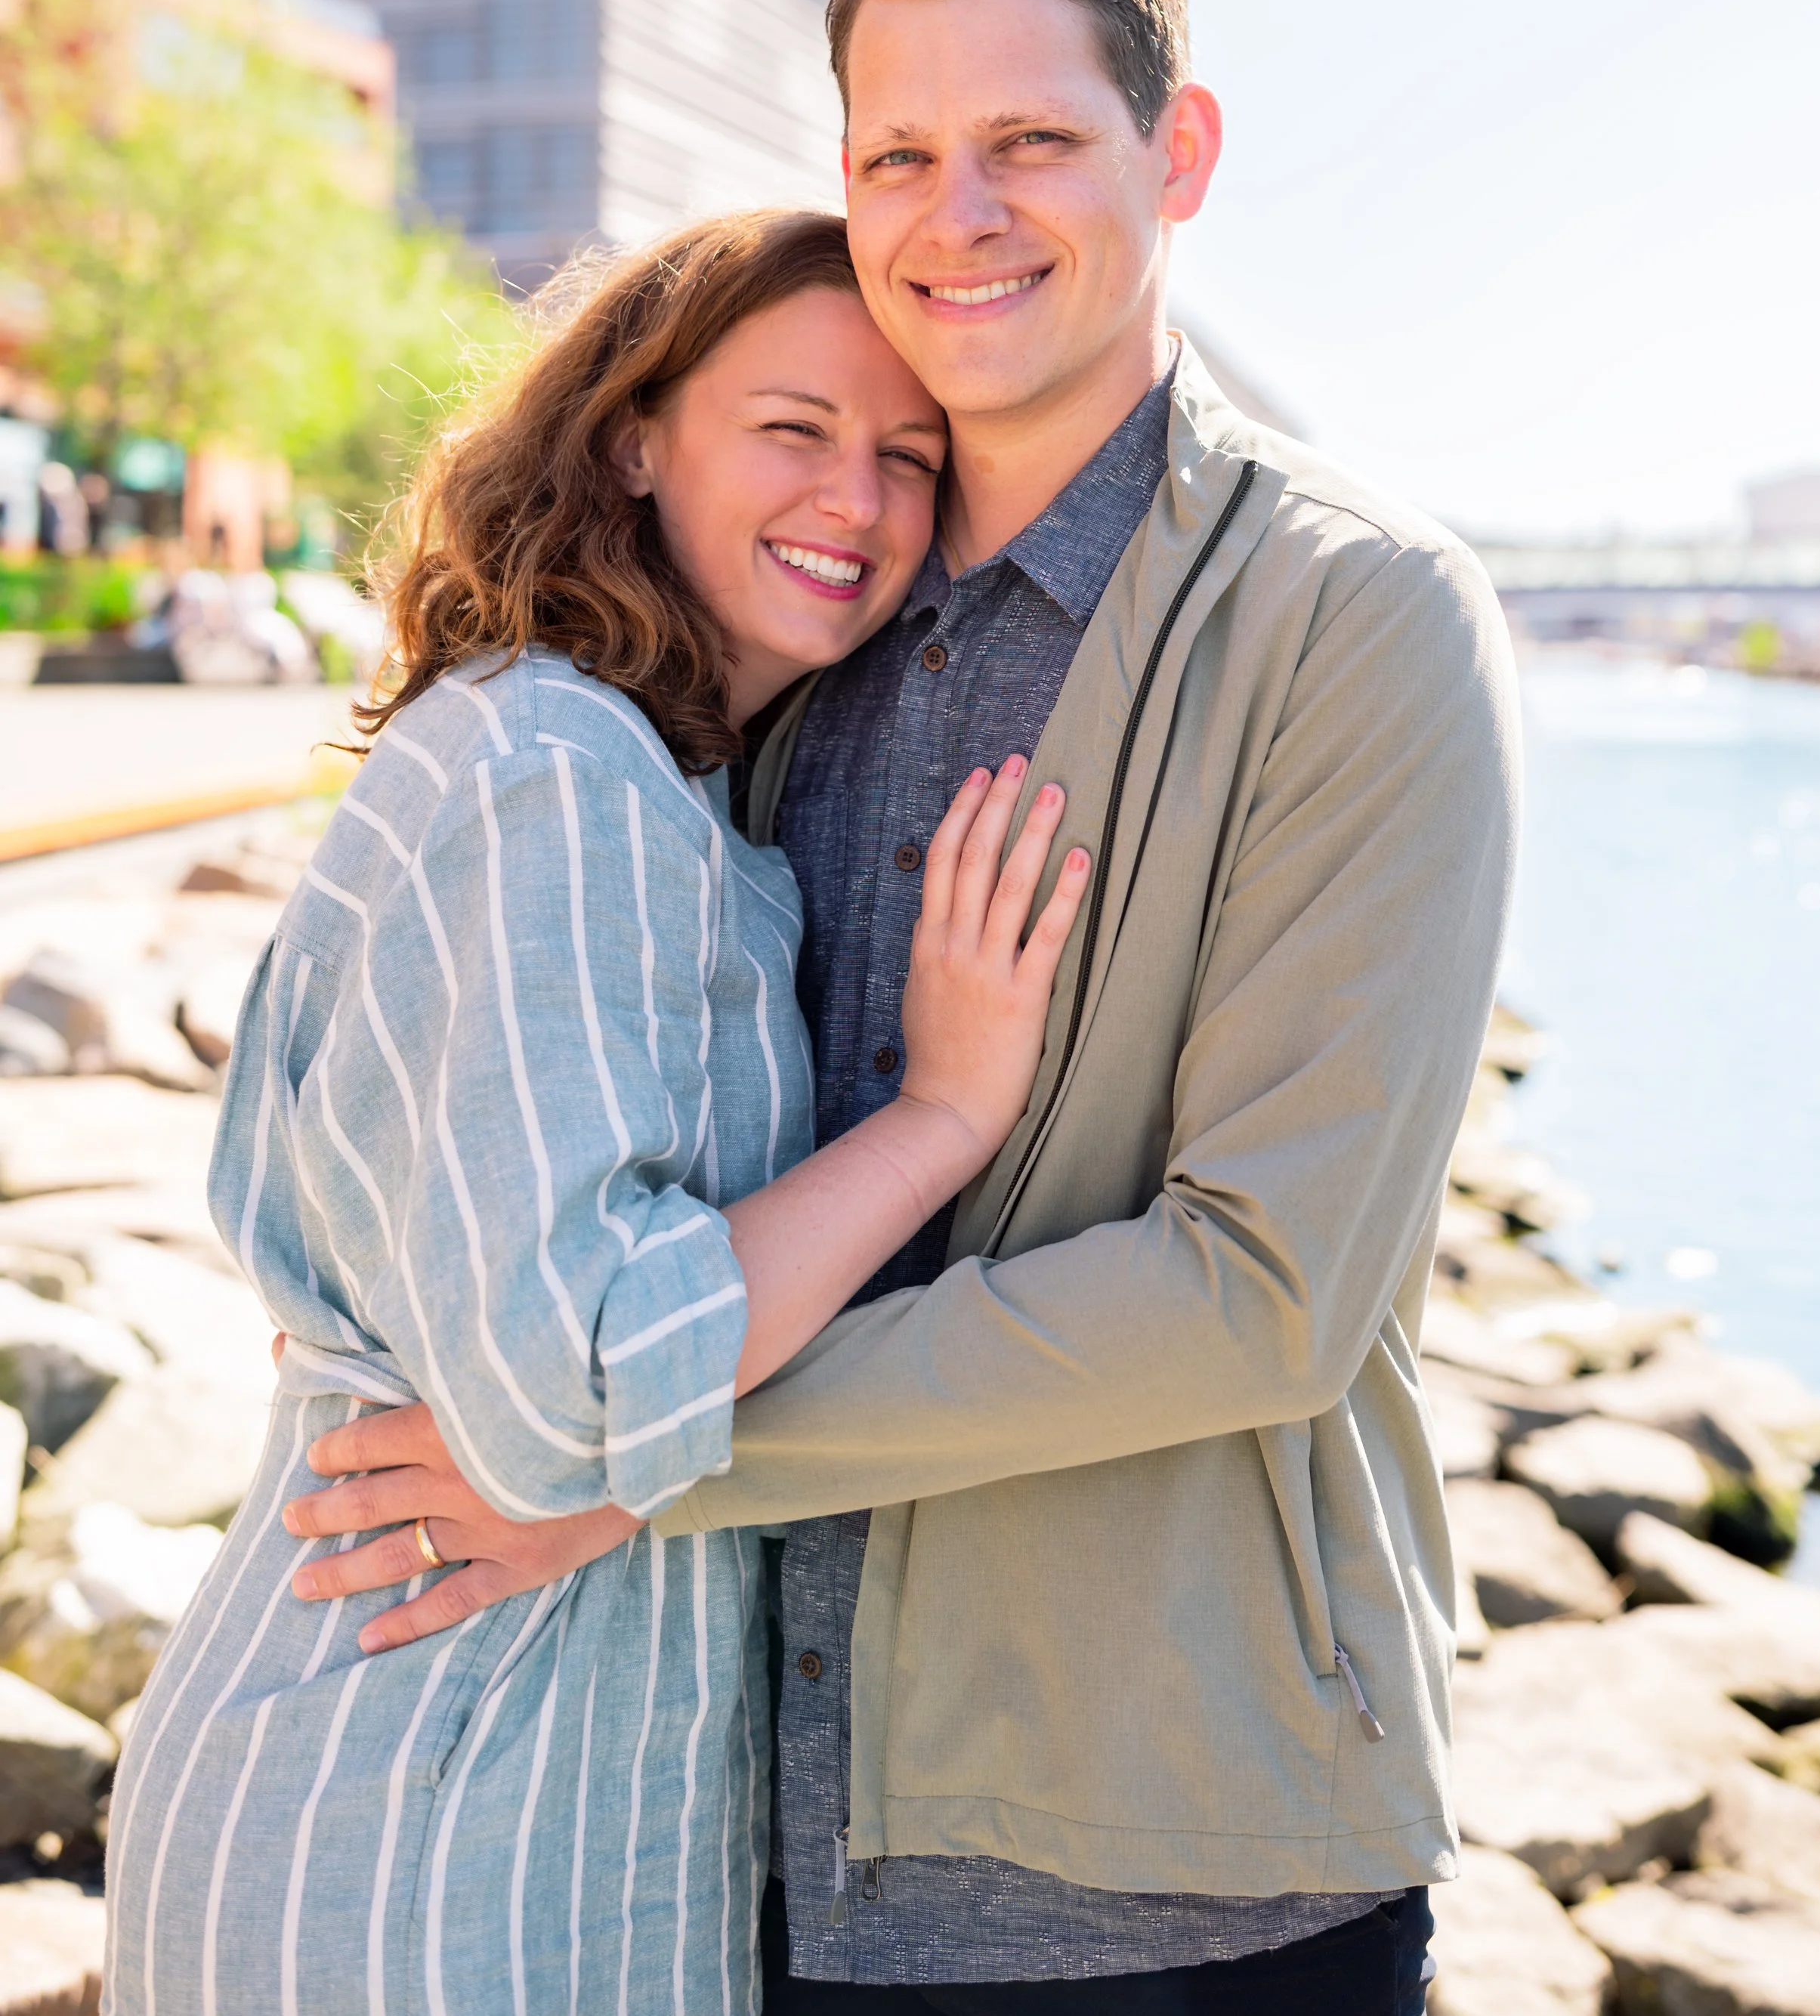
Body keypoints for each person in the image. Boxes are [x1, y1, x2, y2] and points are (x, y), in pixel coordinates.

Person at [273, 0, 1520, 2016]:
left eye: (1032, 141)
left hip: (1176, 1882)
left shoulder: (1354, 616)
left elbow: (1267, 1289)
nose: (963, 212)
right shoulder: (795, 615)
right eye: (898, 157)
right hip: (745, 1852)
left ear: (1177, 152)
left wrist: (618, 1459)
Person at [102, 209, 1092, 2016]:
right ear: (636, 436)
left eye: (905, 454)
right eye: (791, 428)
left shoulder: (639, 784)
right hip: (420, 1823)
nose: (854, 501)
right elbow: (569, 1390)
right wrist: (943, 1115)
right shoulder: (557, 772)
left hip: (521, 1802)